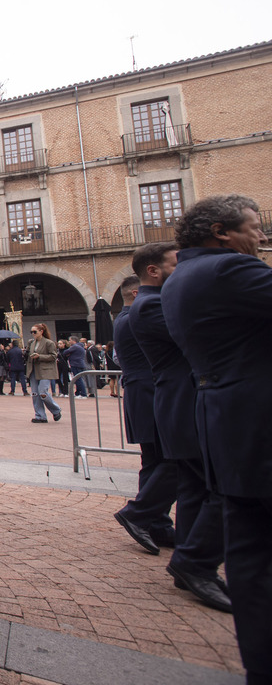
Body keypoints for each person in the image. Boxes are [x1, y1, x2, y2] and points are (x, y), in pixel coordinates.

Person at [160, 194, 271, 682]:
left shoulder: (186, 274)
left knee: (249, 545)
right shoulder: (227, 271)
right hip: (255, 419)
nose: (263, 236)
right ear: (222, 232)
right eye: (255, 226)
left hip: (229, 416)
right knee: (254, 550)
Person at [129, 241, 229, 613]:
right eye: (175, 262)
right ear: (153, 270)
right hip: (180, 400)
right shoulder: (153, 304)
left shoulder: (157, 300)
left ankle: (190, 558)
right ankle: (191, 558)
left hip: (181, 399)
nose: (182, 267)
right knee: (208, 484)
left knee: (195, 486)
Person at [111, 273, 176, 553]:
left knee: (155, 459)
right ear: (136, 294)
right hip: (150, 392)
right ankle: (142, 514)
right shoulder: (136, 317)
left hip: (144, 392)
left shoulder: (126, 318)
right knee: (171, 459)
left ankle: (157, 522)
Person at [25, 324, 61, 423]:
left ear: (41, 331)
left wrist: (39, 356)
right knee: (35, 394)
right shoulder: (31, 342)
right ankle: (40, 415)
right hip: (33, 370)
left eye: (35, 332)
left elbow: (53, 356)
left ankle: (56, 410)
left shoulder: (49, 343)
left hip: (46, 370)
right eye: (31, 332)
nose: (33, 334)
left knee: (43, 392)